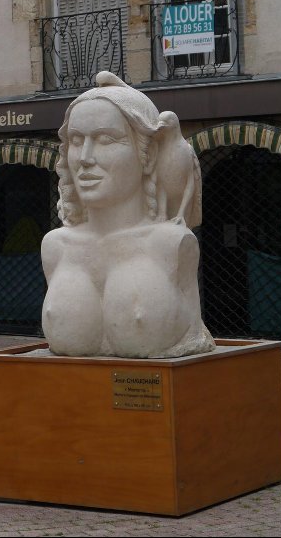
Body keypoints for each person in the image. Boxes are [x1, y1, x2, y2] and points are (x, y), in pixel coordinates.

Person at [41, 71, 215, 360]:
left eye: (106, 139)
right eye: (75, 139)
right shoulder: (55, 247)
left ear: (147, 154)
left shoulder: (171, 244)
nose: (84, 157)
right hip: (69, 398)